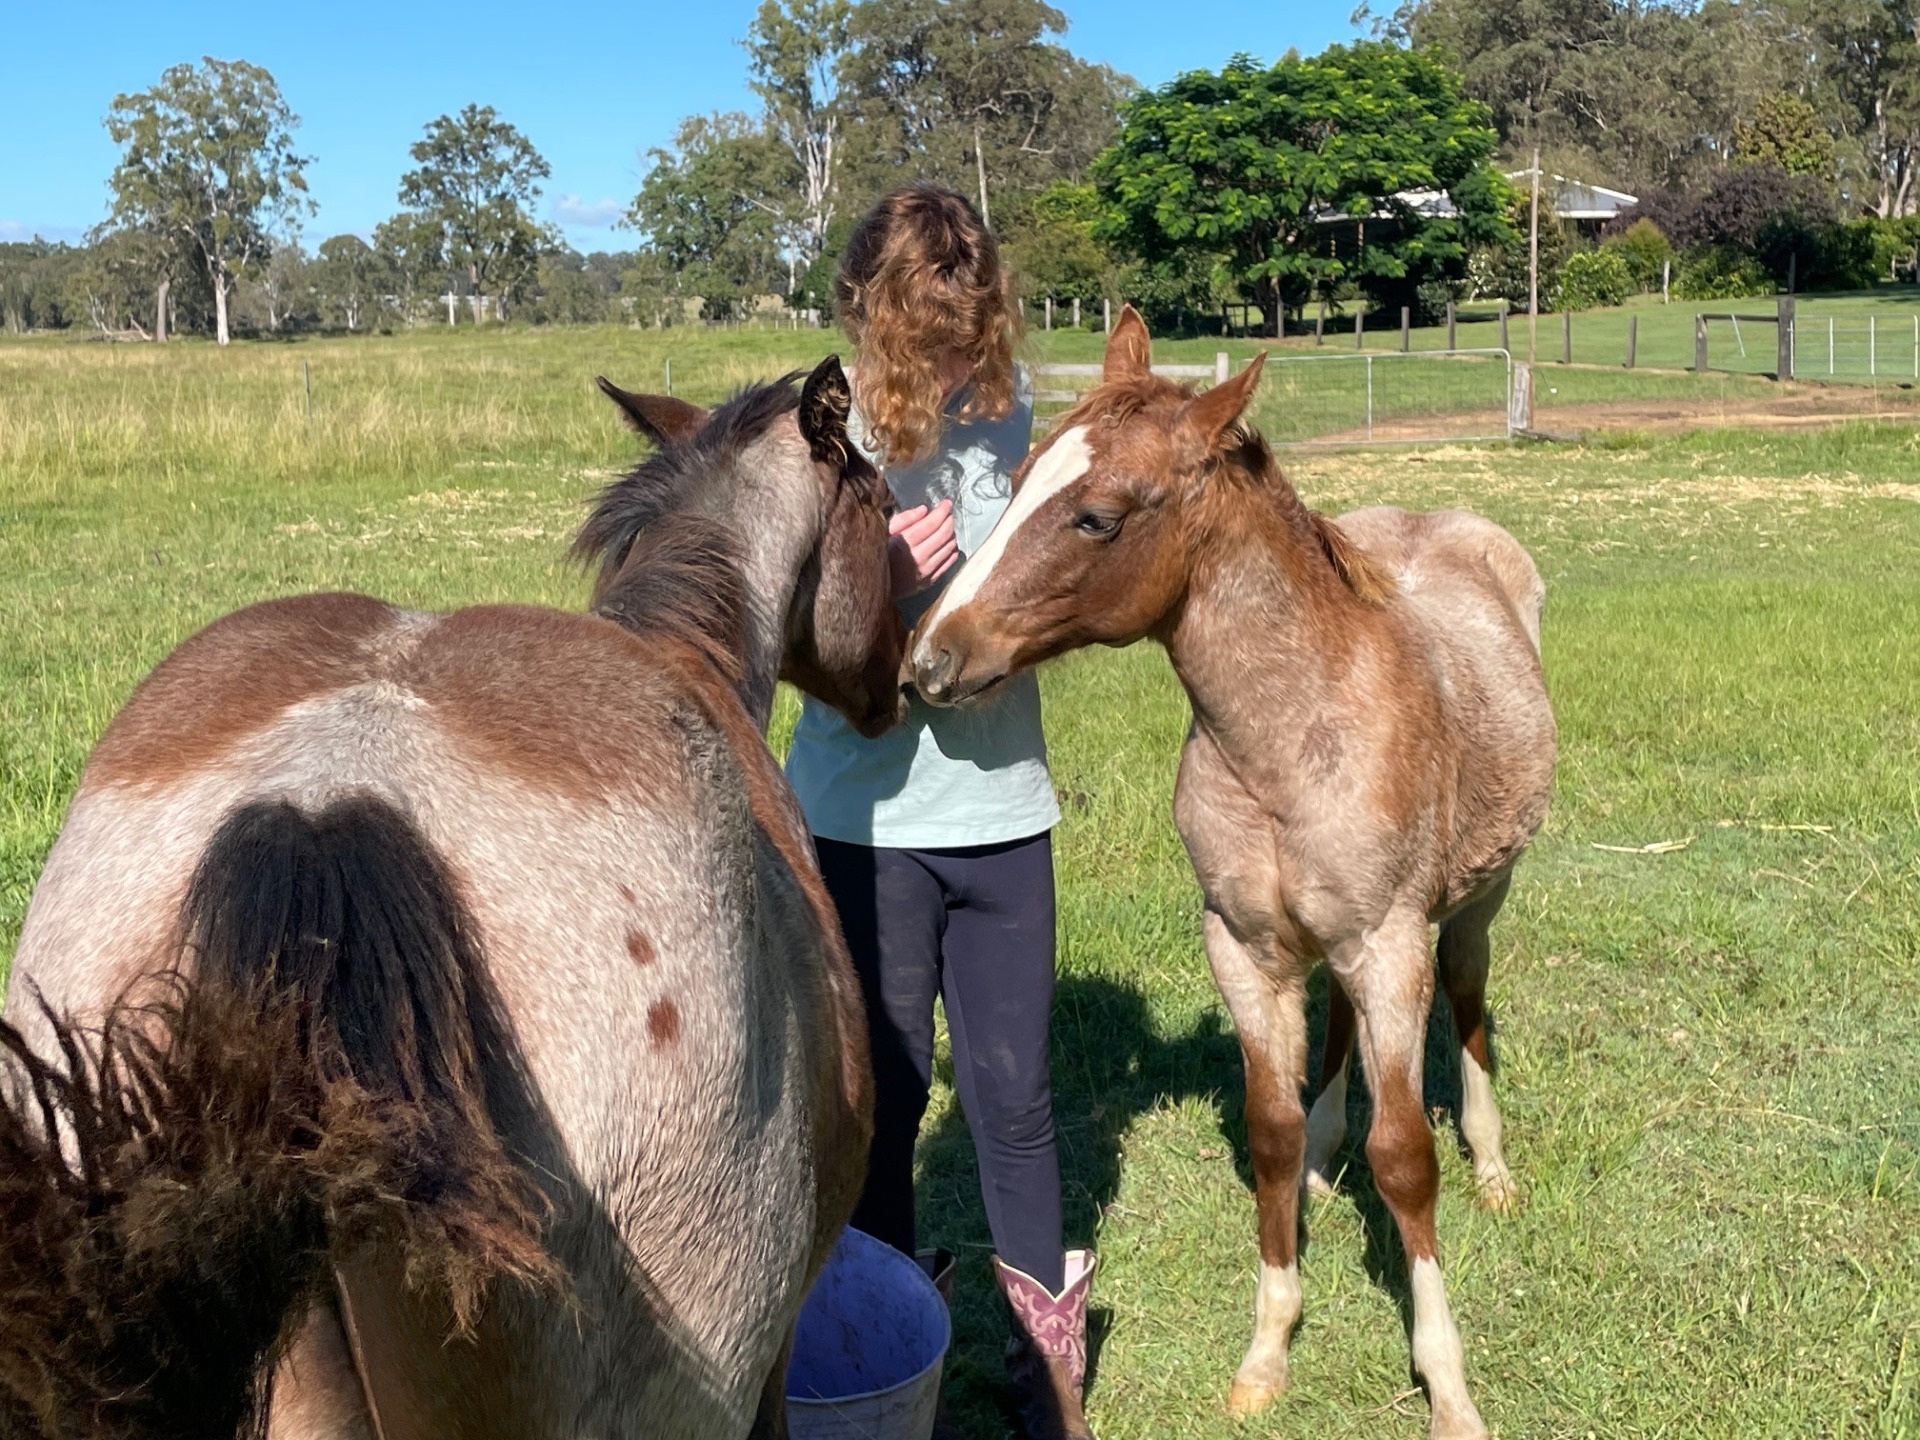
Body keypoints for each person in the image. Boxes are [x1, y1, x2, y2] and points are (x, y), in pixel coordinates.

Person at [785, 183, 1095, 1440]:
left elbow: (1059, 590)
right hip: (865, 828)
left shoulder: (1018, 416)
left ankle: (1042, 1375)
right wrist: (887, 588)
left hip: (1005, 812)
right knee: (890, 1100)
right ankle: (886, 1372)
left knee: (1015, 1100)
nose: (962, 356)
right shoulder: (820, 435)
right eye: (934, 333)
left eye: (977, 326)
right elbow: (796, 649)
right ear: (871, 314)